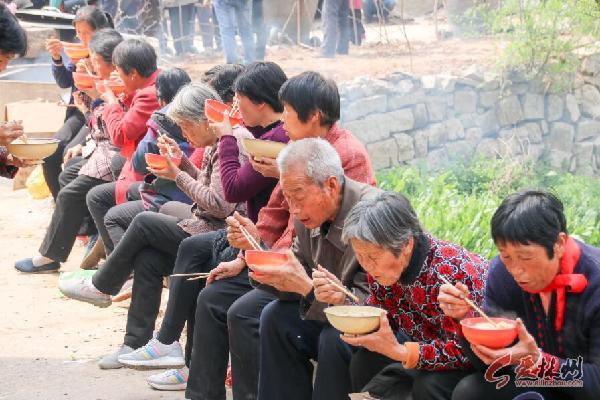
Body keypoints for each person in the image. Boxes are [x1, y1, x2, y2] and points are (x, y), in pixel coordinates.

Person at [182, 71, 376, 400]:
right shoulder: (300, 149)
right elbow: (276, 212)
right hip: (297, 260)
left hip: (336, 276)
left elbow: (309, 225)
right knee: (215, 296)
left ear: (313, 116)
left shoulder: (343, 157)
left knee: (247, 312)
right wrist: (249, 252)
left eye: (287, 112)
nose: (283, 121)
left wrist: (271, 257)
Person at [116, 61, 289, 391]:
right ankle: (156, 348)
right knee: (153, 258)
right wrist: (180, 166)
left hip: (253, 238)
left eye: (238, 101)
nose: (232, 109)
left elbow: (229, 197)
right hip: (249, 235)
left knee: (159, 230)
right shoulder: (255, 137)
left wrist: (220, 140)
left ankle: (144, 321)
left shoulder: (262, 139)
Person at [59, 83, 251, 371]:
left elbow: (219, 205)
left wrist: (177, 175)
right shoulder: (218, 141)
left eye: (187, 128)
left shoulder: (231, 141)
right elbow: (212, 188)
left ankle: (102, 285)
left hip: (224, 235)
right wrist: (182, 163)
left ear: (203, 120)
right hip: (209, 224)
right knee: (148, 258)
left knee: (144, 222)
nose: (185, 135)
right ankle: (135, 343)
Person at [295, 191, 488, 400]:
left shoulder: (450, 275)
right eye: (360, 256)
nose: (367, 266)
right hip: (425, 349)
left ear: (406, 244)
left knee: (429, 385)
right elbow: (384, 316)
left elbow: (466, 352)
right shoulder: (384, 272)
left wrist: (402, 352)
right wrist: (342, 298)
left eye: (373, 257)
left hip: (481, 362)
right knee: (364, 362)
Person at [253, 138, 382, 400]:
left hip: (382, 327)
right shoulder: (307, 216)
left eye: (298, 195)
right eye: (287, 198)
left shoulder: (372, 214)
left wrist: (307, 288)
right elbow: (299, 269)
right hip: (330, 312)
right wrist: (261, 259)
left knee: (334, 338)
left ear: (331, 185)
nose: (293, 208)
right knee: (275, 316)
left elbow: (371, 307)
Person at [439, 190, 600, 400]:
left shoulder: (595, 282)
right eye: (506, 256)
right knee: (469, 391)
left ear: (559, 244)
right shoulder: (502, 274)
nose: (515, 270)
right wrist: (464, 319)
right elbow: (490, 365)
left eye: (525, 257)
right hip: (538, 381)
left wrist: (540, 362)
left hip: (586, 388)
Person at [14, 29, 124, 274]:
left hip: (115, 156)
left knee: (69, 192)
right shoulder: (107, 85)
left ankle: (50, 256)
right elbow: (99, 124)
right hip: (102, 145)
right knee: (67, 174)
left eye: (95, 62)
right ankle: (82, 232)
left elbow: (115, 133)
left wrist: (95, 104)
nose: (90, 67)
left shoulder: (119, 88)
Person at [78, 67, 193, 270]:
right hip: (177, 187)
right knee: (127, 187)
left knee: (109, 211)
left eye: (119, 72)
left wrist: (111, 102)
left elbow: (123, 140)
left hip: (180, 197)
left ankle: (119, 271)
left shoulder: (162, 115)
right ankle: (112, 255)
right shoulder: (198, 111)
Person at [84, 38, 161, 257]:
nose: (116, 76)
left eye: (119, 71)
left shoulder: (149, 94)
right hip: (140, 159)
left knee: (95, 196)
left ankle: (119, 266)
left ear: (134, 74)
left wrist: (110, 101)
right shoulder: (149, 85)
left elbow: (120, 135)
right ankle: (106, 250)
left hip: (152, 170)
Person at [44, 6, 112, 200]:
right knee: (50, 151)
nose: (82, 38)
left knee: (70, 153)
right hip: (78, 112)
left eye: (87, 33)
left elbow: (116, 91)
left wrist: (93, 73)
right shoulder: (79, 52)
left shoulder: (111, 53)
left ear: (100, 31)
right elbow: (65, 81)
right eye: (78, 33)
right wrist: (57, 58)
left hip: (100, 114)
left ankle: (79, 217)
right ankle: (60, 204)